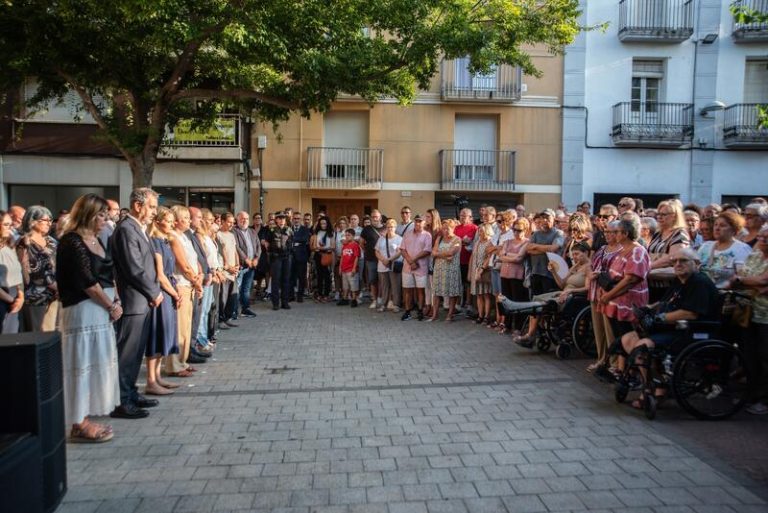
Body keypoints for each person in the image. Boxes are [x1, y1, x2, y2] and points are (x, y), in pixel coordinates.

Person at [57, 194, 122, 442]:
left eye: (107, 215)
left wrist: (116, 299)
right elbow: (87, 282)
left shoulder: (96, 239)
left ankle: (85, 417)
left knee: (97, 363)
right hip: (84, 311)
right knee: (81, 364)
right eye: (101, 216)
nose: (106, 220)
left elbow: (107, 274)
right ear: (88, 214)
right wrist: (110, 306)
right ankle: (78, 422)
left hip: (101, 311)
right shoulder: (71, 242)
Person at [618, 248, 720, 408]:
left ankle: (652, 390)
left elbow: (690, 313)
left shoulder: (699, 282)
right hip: (676, 328)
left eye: (683, 261)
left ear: (697, 264)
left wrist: (660, 317)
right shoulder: (679, 280)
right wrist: (648, 308)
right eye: (675, 261)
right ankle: (654, 384)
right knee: (628, 339)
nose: (678, 264)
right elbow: (666, 302)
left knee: (642, 347)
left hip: (695, 332)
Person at [110, 188, 162, 420]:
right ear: (138, 206)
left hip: (143, 301)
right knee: (127, 354)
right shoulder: (126, 229)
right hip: (133, 300)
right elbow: (133, 267)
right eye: (151, 207)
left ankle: (131, 392)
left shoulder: (138, 229)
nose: (155, 212)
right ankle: (121, 400)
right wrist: (154, 291)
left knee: (135, 352)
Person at [501, 241, 590, 345]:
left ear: (586, 253)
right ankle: (530, 333)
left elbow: (588, 288)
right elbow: (562, 285)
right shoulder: (575, 267)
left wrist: (570, 290)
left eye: (577, 254)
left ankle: (520, 318)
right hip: (563, 293)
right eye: (573, 254)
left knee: (543, 304)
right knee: (537, 298)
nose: (574, 257)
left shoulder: (589, 267)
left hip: (574, 297)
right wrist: (553, 272)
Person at [729, 225, 768, 414]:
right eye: (761, 237)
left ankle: (764, 400)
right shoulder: (755, 254)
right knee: (750, 356)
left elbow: (763, 282)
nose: (762, 240)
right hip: (748, 312)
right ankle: (751, 395)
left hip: (766, 316)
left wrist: (744, 281)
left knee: (765, 357)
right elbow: (741, 275)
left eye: (766, 238)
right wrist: (750, 281)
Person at [145, 207, 181, 393]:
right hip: (161, 292)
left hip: (168, 291)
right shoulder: (155, 242)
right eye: (168, 220)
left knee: (164, 337)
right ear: (158, 222)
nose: (172, 223)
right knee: (156, 335)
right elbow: (160, 274)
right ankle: (151, 380)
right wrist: (174, 293)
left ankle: (158, 378)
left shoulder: (165, 241)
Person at [164, 206, 202, 377]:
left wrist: (199, 276)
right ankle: (174, 365)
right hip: (181, 284)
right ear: (176, 220)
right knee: (179, 327)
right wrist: (195, 279)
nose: (188, 220)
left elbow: (195, 260)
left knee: (186, 326)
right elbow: (183, 263)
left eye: (188, 217)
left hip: (190, 284)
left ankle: (183, 361)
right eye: (185, 217)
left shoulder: (185, 236)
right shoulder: (173, 237)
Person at [16, 206, 58, 332]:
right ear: (32, 221)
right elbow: (34, 271)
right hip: (37, 297)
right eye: (45, 220)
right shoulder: (25, 242)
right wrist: (58, 287)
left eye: (50, 220)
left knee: (54, 336)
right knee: (39, 336)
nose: (49, 223)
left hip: (55, 296)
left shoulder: (51, 241)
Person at [697, 211, 752, 288]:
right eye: (715, 225)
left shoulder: (741, 249)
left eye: (722, 225)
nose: (717, 228)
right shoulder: (706, 246)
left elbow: (743, 277)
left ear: (734, 229)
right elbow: (694, 268)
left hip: (725, 295)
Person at [498, 217, 530, 335]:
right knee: (506, 299)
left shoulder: (527, 242)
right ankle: (507, 324)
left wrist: (507, 255)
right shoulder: (507, 241)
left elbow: (519, 258)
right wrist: (511, 256)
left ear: (525, 230)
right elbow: (501, 256)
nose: (516, 232)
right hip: (505, 274)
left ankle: (518, 327)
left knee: (517, 301)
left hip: (517, 275)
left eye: (519, 230)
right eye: (514, 230)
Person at [525, 209, 565, 296]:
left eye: (547, 217)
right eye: (543, 217)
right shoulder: (536, 234)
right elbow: (528, 249)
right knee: (535, 300)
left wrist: (535, 246)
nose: (545, 220)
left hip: (551, 274)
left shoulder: (558, 233)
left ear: (553, 219)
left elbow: (554, 248)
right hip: (535, 272)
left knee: (548, 301)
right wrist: (547, 249)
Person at [400, 215, 432, 321]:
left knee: (420, 290)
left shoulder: (427, 235)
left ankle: (420, 311)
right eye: (416, 221)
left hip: (421, 267)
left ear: (424, 223)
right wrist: (410, 261)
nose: (418, 223)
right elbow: (402, 249)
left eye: (420, 221)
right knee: (407, 290)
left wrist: (413, 260)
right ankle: (408, 312)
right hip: (407, 267)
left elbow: (427, 250)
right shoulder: (407, 234)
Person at [430, 219, 462, 322]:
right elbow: (433, 253)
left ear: (453, 228)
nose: (445, 231)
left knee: (452, 293)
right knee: (436, 292)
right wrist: (445, 254)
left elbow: (451, 253)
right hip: (439, 269)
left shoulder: (457, 239)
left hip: (451, 270)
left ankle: (450, 315)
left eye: (447, 228)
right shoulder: (439, 238)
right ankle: (435, 315)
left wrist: (439, 254)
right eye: (443, 228)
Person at [0, 210, 24, 333]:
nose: (10, 228)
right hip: (4, 301)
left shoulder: (9, 248)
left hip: (14, 302)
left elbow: (17, 274)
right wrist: (12, 300)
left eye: (11, 225)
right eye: (6, 225)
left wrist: (21, 295)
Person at [234, 211, 260, 317]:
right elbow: (237, 247)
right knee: (237, 289)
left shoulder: (252, 231)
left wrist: (256, 258)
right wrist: (246, 259)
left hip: (252, 265)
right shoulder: (234, 231)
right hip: (241, 265)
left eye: (246, 219)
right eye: (242, 219)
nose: (244, 221)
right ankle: (234, 310)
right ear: (238, 220)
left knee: (246, 288)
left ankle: (245, 308)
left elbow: (258, 246)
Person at [266, 211, 294, 310]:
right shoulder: (272, 230)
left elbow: (292, 243)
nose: (282, 220)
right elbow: (267, 243)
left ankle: (285, 302)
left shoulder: (289, 230)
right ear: (276, 220)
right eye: (280, 218)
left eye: (283, 218)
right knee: (276, 281)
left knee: (286, 280)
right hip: (276, 258)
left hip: (286, 257)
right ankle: (275, 303)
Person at [216, 213, 240, 327]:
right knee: (223, 297)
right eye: (229, 222)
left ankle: (228, 317)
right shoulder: (218, 235)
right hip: (225, 271)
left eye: (233, 222)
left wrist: (237, 264)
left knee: (232, 296)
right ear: (223, 221)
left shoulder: (231, 235)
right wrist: (229, 267)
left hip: (233, 271)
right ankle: (221, 320)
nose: (231, 224)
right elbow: (222, 252)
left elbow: (234, 251)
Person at [375, 218, 403, 313]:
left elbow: (400, 252)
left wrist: (389, 259)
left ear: (395, 228)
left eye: (392, 227)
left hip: (394, 265)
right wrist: (383, 259)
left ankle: (396, 305)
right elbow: (377, 251)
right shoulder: (381, 238)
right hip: (382, 265)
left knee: (395, 286)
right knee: (384, 286)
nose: (390, 228)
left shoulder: (399, 239)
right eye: (388, 227)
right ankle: (384, 304)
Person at [469, 223, 494, 325]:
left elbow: (489, 258)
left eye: (482, 231)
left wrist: (481, 270)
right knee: (479, 295)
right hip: (475, 270)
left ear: (487, 231)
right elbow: (473, 257)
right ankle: (480, 315)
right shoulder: (477, 242)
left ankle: (487, 317)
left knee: (486, 295)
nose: (480, 233)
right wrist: (471, 272)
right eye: (479, 231)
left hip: (484, 271)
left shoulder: (490, 243)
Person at [455, 208, 478, 313]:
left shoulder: (474, 228)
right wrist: (463, 241)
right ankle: (458, 303)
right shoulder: (456, 228)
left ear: (470, 217)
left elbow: (471, 242)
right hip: (457, 259)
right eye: (461, 215)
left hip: (469, 260)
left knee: (468, 283)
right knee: (458, 283)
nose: (463, 218)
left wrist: (464, 242)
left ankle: (469, 304)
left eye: (465, 216)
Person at [361, 210, 385, 308]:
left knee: (383, 280)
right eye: (373, 216)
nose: (375, 218)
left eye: (376, 216)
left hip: (384, 259)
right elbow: (361, 243)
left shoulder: (386, 228)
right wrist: (367, 251)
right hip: (371, 259)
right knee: (372, 279)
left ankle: (382, 298)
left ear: (380, 217)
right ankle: (374, 300)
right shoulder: (366, 229)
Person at [311, 215, 334, 303]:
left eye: (324, 223)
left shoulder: (331, 233)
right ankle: (320, 294)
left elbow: (333, 246)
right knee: (319, 275)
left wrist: (321, 248)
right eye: (321, 224)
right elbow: (314, 246)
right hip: (318, 255)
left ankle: (326, 294)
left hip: (327, 255)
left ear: (327, 224)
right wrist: (322, 248)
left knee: (327, 276)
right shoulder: (317, 233)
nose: (323, 225)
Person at [290, 211, 311, 302]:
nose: (296, 220)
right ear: (292, 219)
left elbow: (304, 239)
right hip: (290, 256)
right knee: (291, 276)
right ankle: (291, 295)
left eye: (298, 218)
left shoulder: (305, 229)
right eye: (295, 218)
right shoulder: (288, 228)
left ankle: (300, 296)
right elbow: (287, 240)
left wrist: (293, 240)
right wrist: (297, 242)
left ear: (301, 219)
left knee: (301, 277)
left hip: (301, 256)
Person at [338, 228, 361, 307]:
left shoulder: (355, 245)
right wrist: (340, 267)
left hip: (351, 268)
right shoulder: (345, 245)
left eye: (349, 235)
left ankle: (354, 299)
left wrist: (354, 268)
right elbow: (342, 257)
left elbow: (356, 257)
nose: (347, 237)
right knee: (345, 285)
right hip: (344, 268)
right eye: (346, 235)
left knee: (353, 284)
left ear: (353, 236)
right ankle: (345, 298)